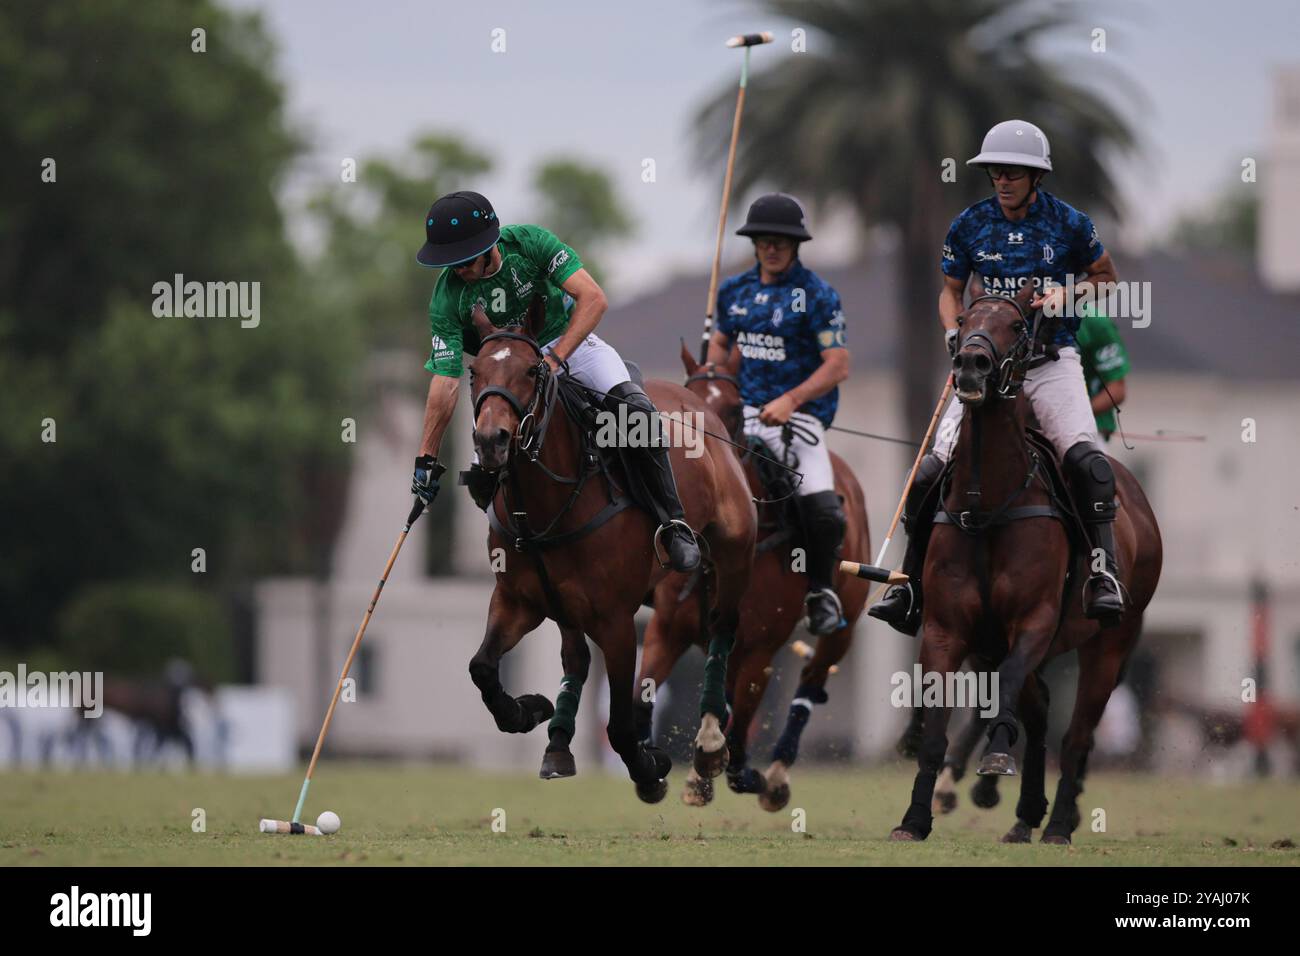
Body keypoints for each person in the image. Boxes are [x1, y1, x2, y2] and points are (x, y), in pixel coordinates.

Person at [870, 119, 1125, 634]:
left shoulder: (1071, 224)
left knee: (1088, 460)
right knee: (929, 469)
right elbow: (950, 290)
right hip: (986, 366)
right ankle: (911, 582)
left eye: (1013, 172)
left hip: (1051, 362)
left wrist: (1068, 295)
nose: (1002, 180)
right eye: (995, 172)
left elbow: (1107, 280)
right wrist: (952, 332)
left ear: (1036, 177)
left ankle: (1103, 573)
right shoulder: (969, 225)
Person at [409, 190, 700, 572]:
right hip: (504, 370)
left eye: (463, 261)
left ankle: (673, 523)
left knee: (636, 415)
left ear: (489, 246)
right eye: (449, 263)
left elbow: (593, 299)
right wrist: (426, 457)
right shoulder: (447, 296)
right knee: (483, 466)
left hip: (567, 344)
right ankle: (518, 548)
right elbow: (445, 381)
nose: (456, 270)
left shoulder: (530, 243)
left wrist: (555, 357)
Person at [703, 193, 851, 635]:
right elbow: (718, 348)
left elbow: (838, 364)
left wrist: (791, 401)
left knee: (825, 511)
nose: (772, 247)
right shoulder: (733, 291)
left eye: (781, 241)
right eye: (764, 240)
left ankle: (821, 591)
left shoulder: (818, 295)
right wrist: (713, 375)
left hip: (797, 420)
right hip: (737, 414)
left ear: (796, 245)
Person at [1074, 306, 1130, 442]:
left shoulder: (1094, 322)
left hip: (1090, 428)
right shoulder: (1019, 315)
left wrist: (1071, 415)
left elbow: (1116, 390)